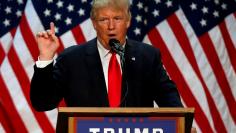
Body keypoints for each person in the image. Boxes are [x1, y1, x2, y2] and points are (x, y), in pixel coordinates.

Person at [30, 0, 183, 111]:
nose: (111, 26)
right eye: (103, 19)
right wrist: (45, 58)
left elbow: (169, 100)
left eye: (117, 18)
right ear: (94, 23)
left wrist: (182, 125)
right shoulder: (71, 59)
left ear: (128, 21)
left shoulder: (147, 57)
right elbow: (42, 103)